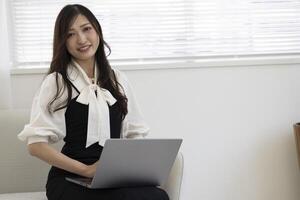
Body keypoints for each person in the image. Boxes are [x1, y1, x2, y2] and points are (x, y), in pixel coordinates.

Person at [18, 4, 169, 200]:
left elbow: (134, 134)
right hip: (69, 177)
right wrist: (87, 170)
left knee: (157, 196)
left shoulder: (118, 79)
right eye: (71, 34)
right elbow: (36, 145)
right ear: (63, 41)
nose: (81, 39)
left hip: (113, 177)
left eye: (86, 29)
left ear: (97, 29)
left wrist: (130, 169)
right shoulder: (57, 82)